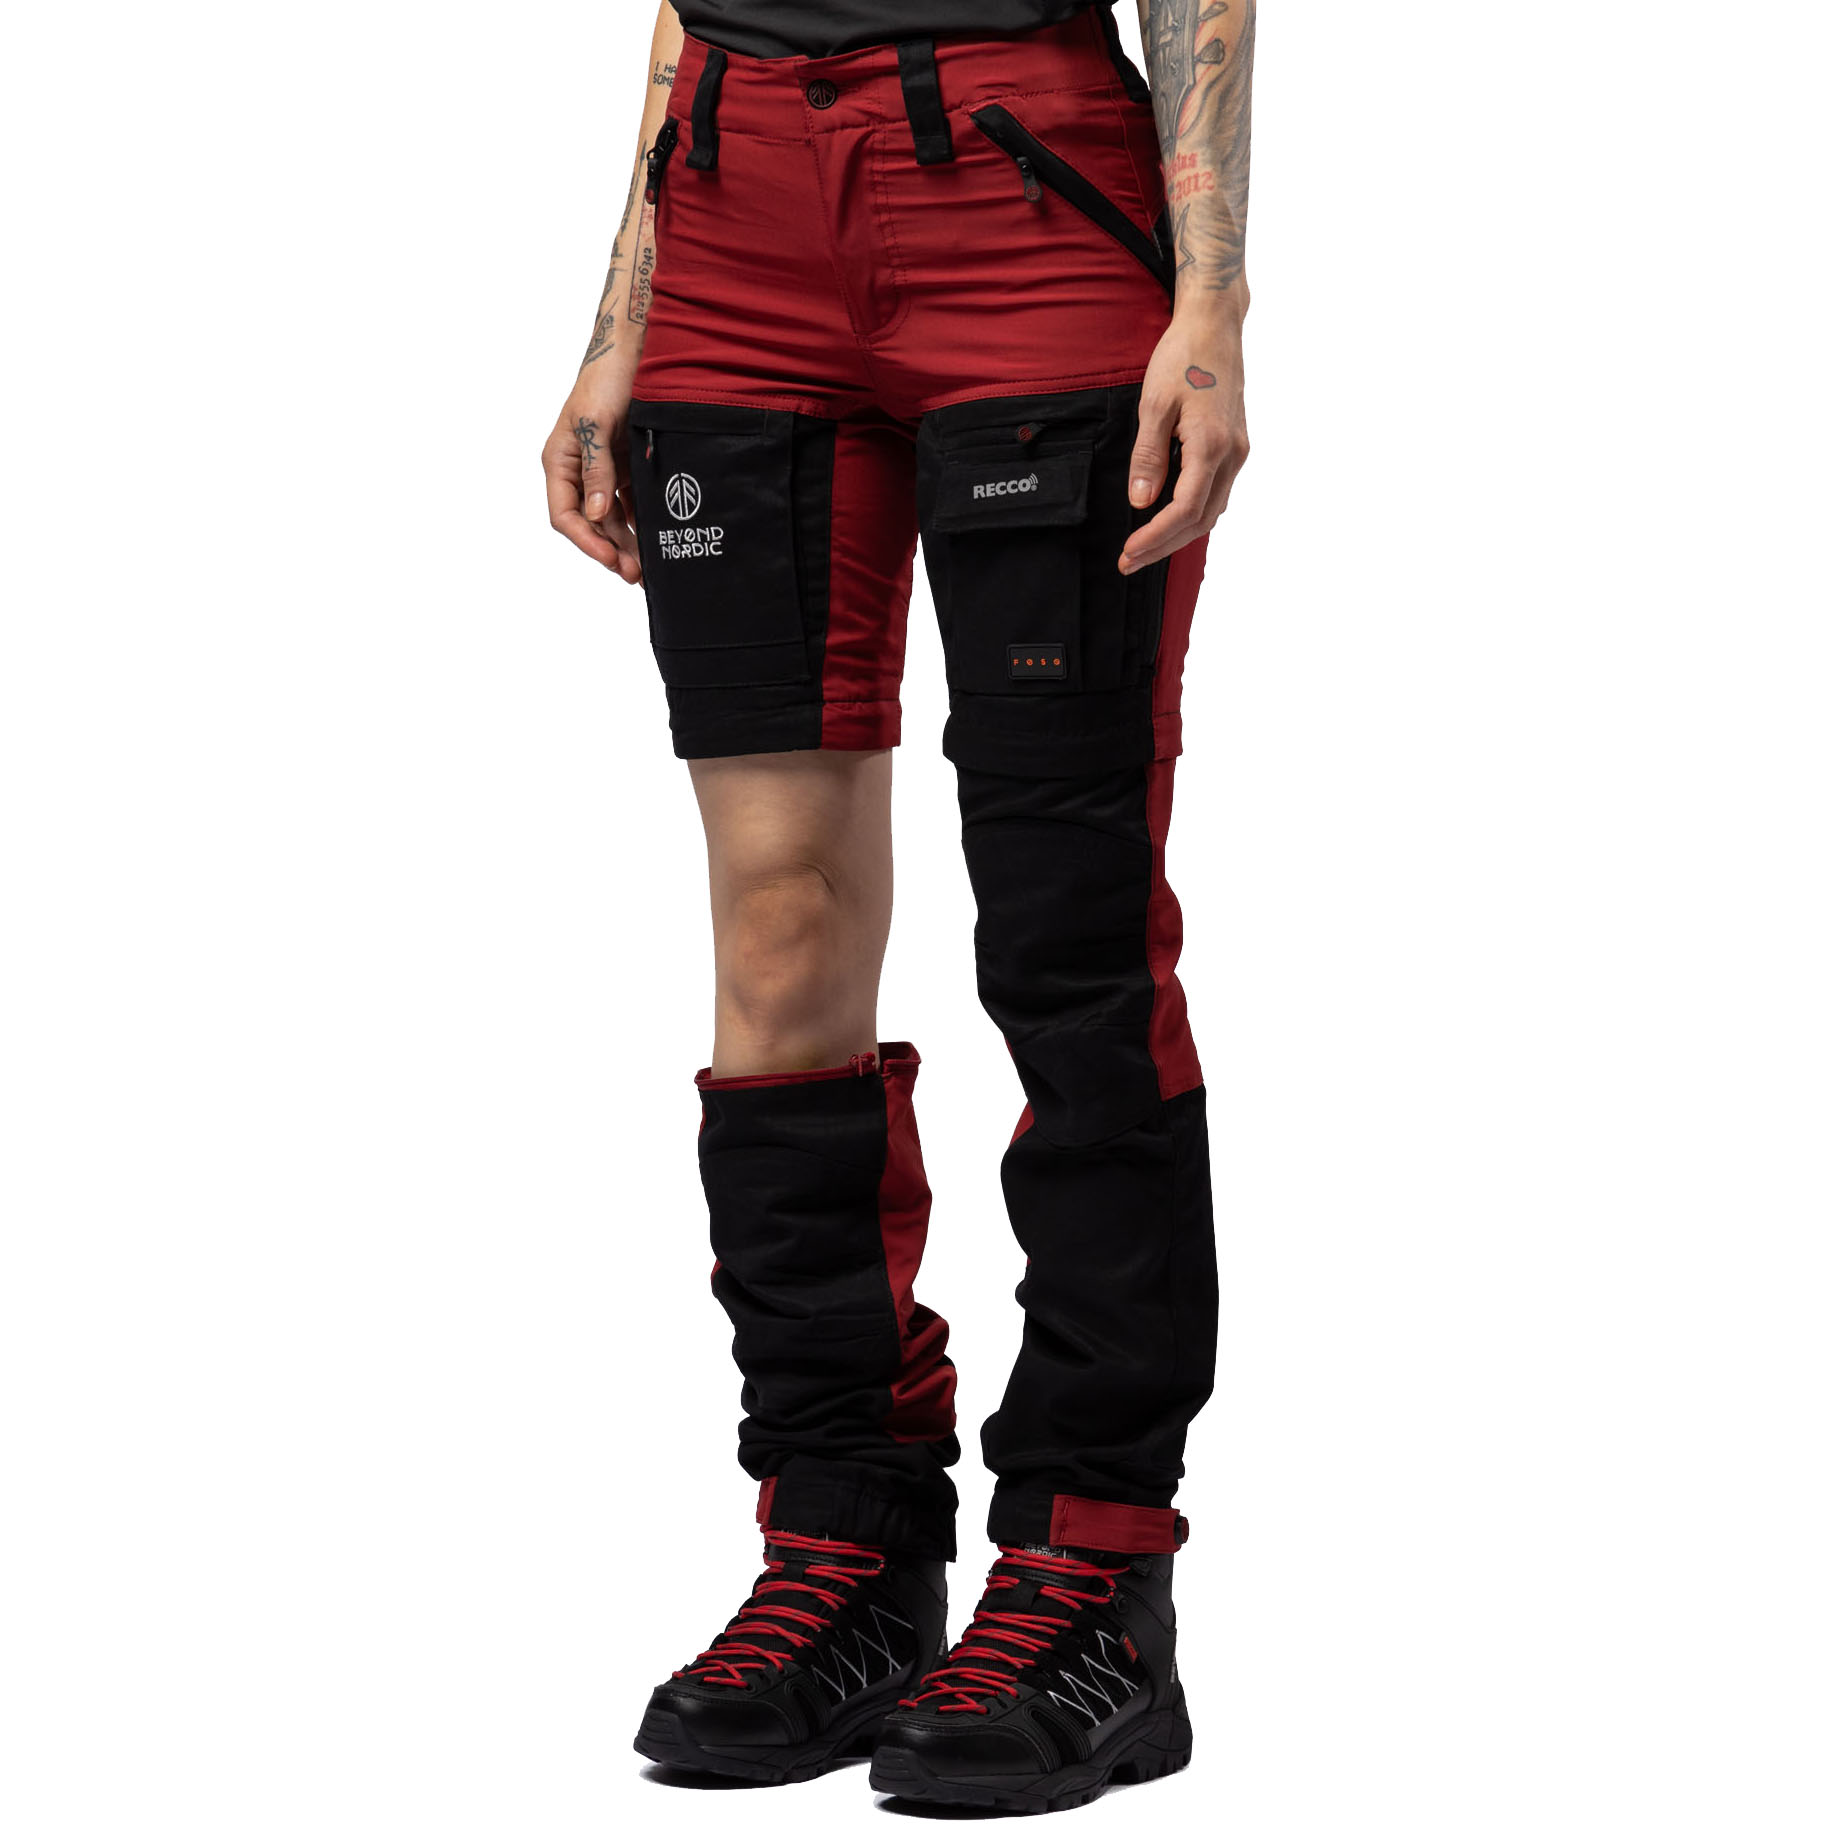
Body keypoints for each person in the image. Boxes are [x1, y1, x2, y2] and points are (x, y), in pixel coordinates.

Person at [540, 0, 1254, 1811]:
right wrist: (622, 317)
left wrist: (1213, 303)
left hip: (1020, 206)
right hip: (733, 220)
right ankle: (845, 1535)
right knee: (773, 923)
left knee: (1068, 927)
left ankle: (1095, 1565)